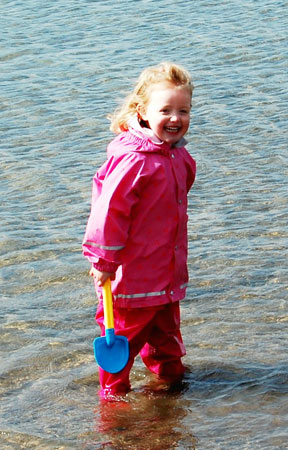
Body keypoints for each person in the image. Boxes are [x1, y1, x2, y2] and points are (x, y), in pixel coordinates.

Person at [82, 62, 196, 400]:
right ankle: (113, 400)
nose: (175, 118)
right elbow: (108, 212)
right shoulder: (134, 160)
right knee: (122, 344)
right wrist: (102, 260)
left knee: (167, 341)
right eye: (166, 110)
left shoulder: (178, 156)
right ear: (142, 112)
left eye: (183, 110)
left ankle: (171, 390)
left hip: (166, 275)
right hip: (132, 280)